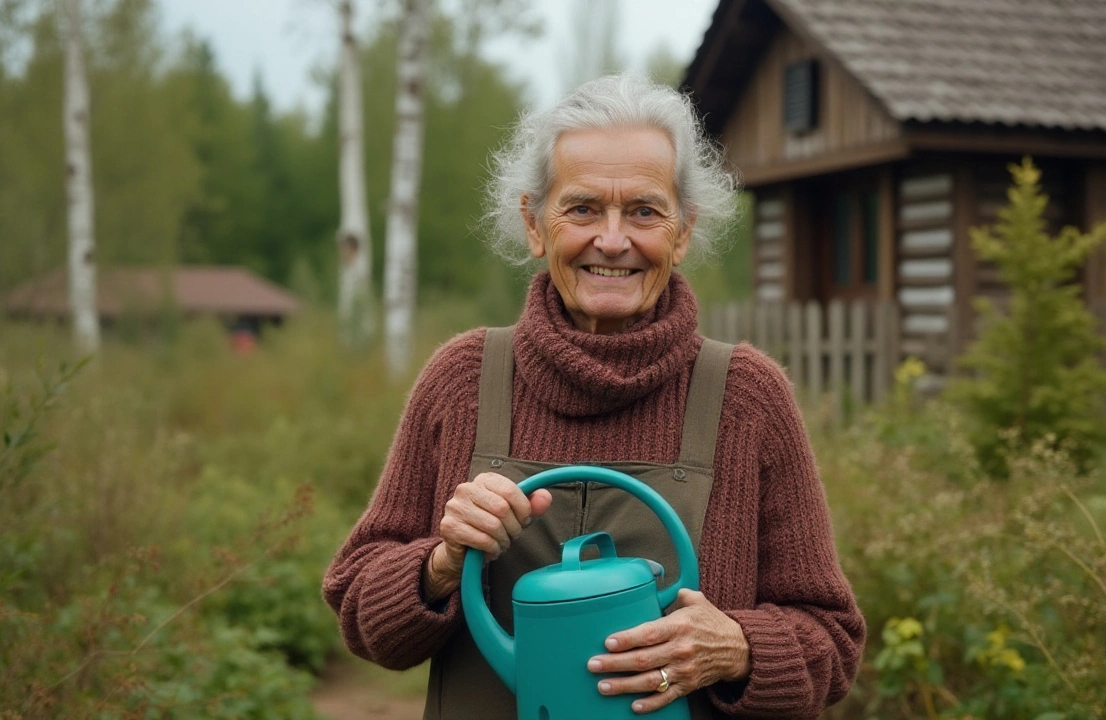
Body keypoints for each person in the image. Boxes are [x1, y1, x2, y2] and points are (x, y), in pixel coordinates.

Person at [323, 74, 864, 719]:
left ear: (683, 232)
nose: (612, 240)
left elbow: (832, 643)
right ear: (534, 225)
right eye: (582, 209)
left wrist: (740, 647)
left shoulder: (747, 398)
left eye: (644, 210)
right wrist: (441, 563)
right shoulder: (463, 379)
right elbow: (360, 612)